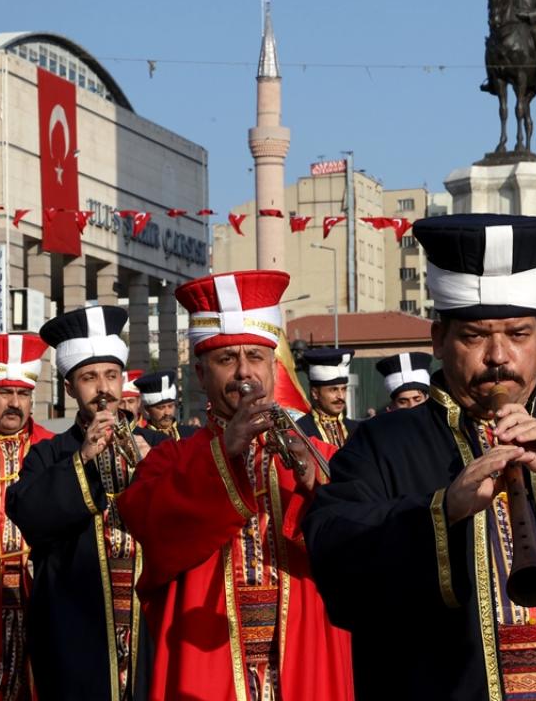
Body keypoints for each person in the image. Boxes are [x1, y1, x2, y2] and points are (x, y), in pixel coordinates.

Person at [302, 213, 536, 699]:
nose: (498, 357)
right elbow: (334, 553)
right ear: (439, 340)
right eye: (474, 336)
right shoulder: (382, 442)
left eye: (517, 335)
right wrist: (442, 510)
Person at [116, 270, 354, 700]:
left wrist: (315, 487)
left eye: (256, 357)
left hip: (304, 655)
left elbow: (361, 546)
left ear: (274, 368)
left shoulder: (321, 455)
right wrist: (224, 453)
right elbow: (146, 521)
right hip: (207, 665)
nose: (244, 372)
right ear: (200, 374)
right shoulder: (170, 459)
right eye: (226, 359)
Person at [6, 306, 164, 701]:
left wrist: (155, 470)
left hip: (150, 622)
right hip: (75, 626)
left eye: (111, 375)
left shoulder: (159, 447)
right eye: (89, 378)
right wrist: (83, 460)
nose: (103, 388)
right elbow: (28, 514)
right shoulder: (49, 454)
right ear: (70, 388)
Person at [0, 333, 53, 701]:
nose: (15, 403)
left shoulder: (52, 449)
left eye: (24, 394)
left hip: (43, 599)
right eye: (4, 393)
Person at [297, 347, 358, 447]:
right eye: (334, 390)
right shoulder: (300, 430)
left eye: (343, 389)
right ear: (315, 393)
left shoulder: (357, 429)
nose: (341, 396)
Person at [136, 370, 197, 441]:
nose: (167, 413)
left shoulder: (191, 434)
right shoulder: (141, 439)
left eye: (170, 406)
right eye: (161, 408)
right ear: (147, 409)